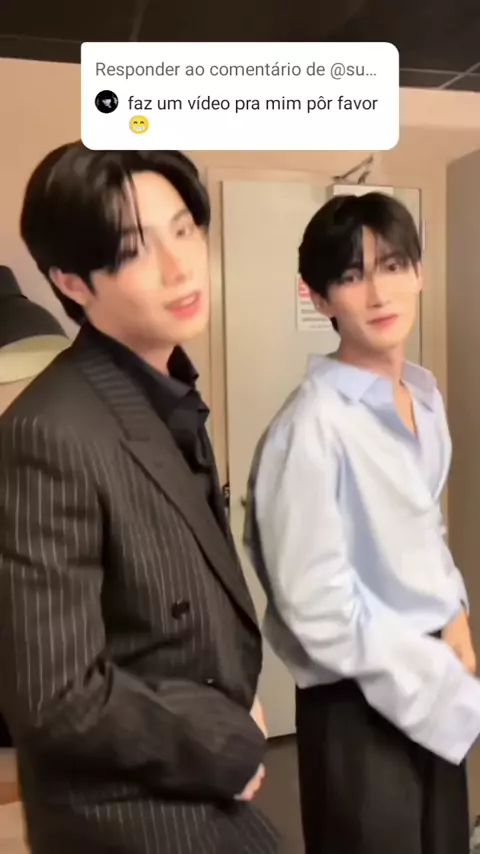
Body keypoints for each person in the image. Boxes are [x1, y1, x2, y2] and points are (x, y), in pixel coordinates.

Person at [0, 143, 278, 854]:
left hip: (198, 789)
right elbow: (55, 695)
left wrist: (236, 697)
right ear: (72, 281)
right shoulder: (48, 431)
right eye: (133, 249)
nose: (180, 266)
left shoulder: (164, 386)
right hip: (135, 819)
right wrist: (223, 738)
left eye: (183, 229)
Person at [243, 192, 480, 854]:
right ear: (320, 298)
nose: (378, 293)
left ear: (420, 272)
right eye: (351, 276)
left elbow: (424, 527)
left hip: (431, 674)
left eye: (394, 266)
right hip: (358, 701)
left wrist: (455, 617)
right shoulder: (309, 427)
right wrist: (432, 682)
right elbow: (313, 608)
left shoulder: (423, 397)